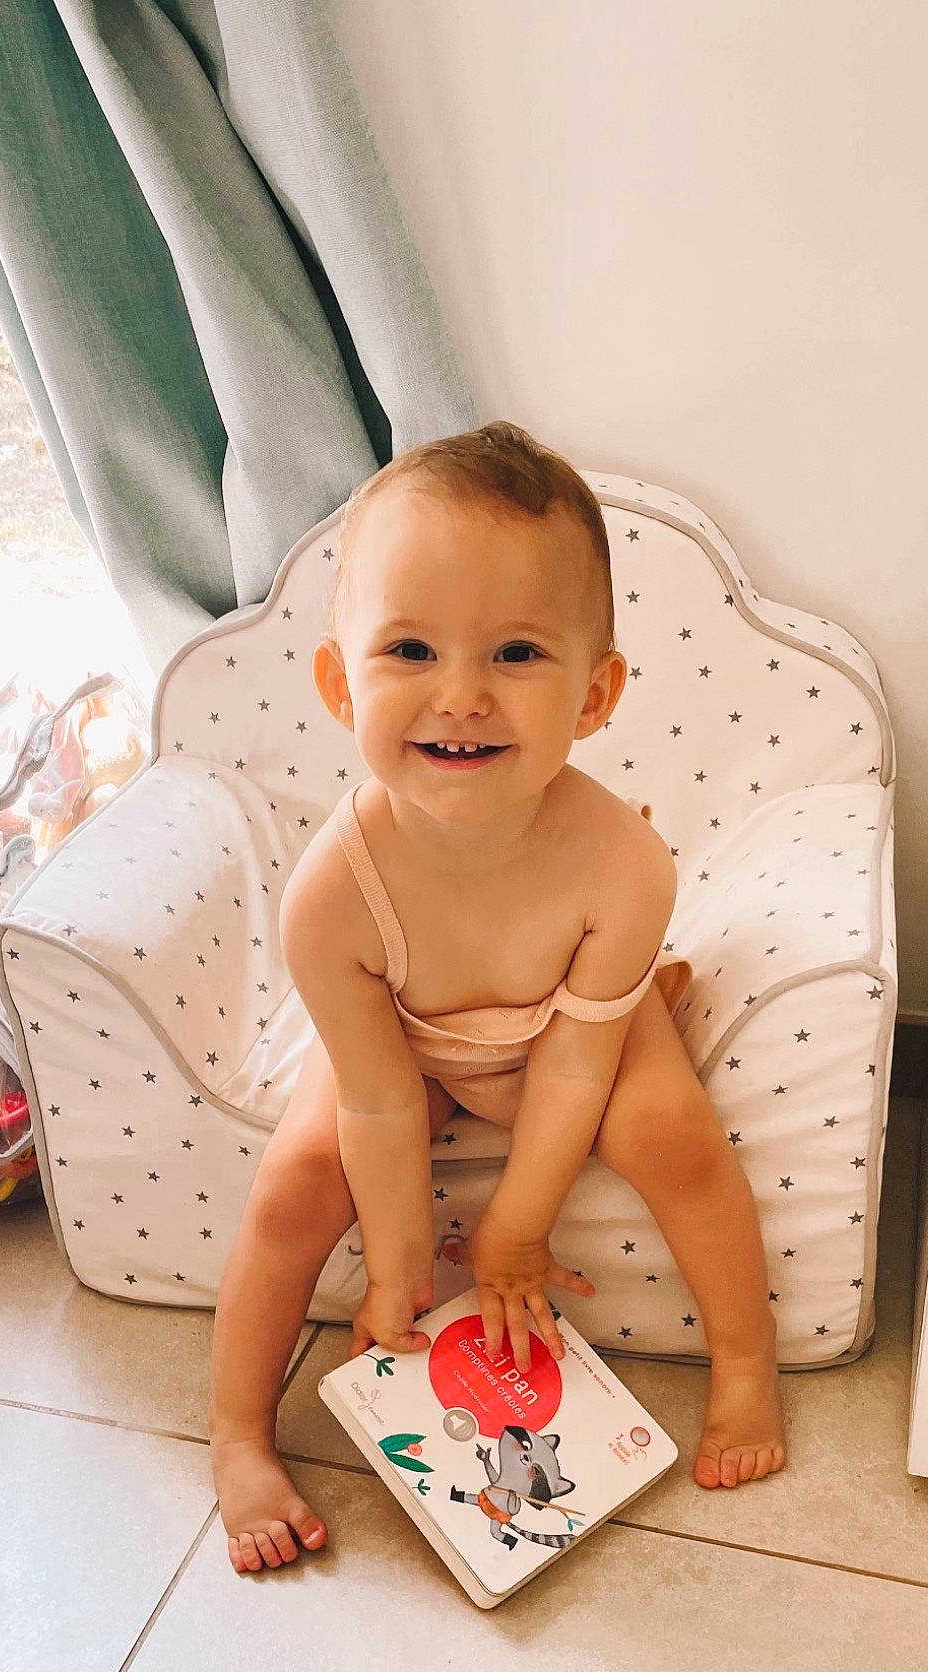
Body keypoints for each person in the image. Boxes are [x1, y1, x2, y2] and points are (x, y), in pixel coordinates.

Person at [209, 421, 783, 1575]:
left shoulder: (626, 865)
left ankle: (748, 1363)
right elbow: (376, 1099)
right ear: (338, 681)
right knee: (295, 1180)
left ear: (596, 693)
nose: (460, 696)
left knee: (672, 1129)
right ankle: (235, 1431)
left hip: (568, 1031)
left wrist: (516, 1231)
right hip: (402, 1046)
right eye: (410, 649)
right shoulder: (331, 897)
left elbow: (575, 1062)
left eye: (517, 654)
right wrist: (399, 1267)